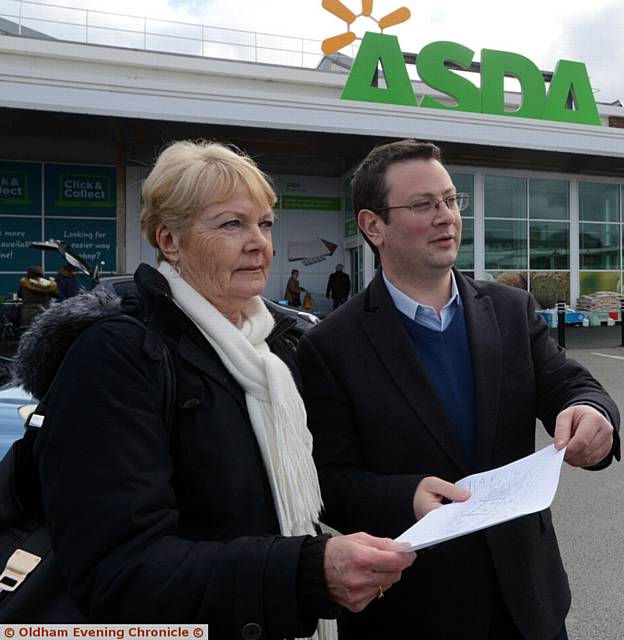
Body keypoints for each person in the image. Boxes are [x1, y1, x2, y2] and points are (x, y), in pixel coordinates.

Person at [20, 140, 437, 637]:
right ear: (169, 241)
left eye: (264, 223)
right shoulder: (117, 358)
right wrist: (305, 572)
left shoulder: (276, 350)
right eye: (231, 224)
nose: (260, 243)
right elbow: (117, 569)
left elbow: (322, 478)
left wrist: (405, 496)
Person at [297, 140, 620, 640]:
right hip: (416, 608)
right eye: (423, 205)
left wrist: (592, 411)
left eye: (450, 200)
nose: (446, 216)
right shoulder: (330, 345)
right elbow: (328, 481)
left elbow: (570, 383)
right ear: (373, 226)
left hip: (530, 602)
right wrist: (406, 496)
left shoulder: (511, 309)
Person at [17, 264, 58, 329]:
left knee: (27, 334)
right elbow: (56, 295)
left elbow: (20, 295)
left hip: (27, 313)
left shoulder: (25, 284)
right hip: (43, 312)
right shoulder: (47, 284)